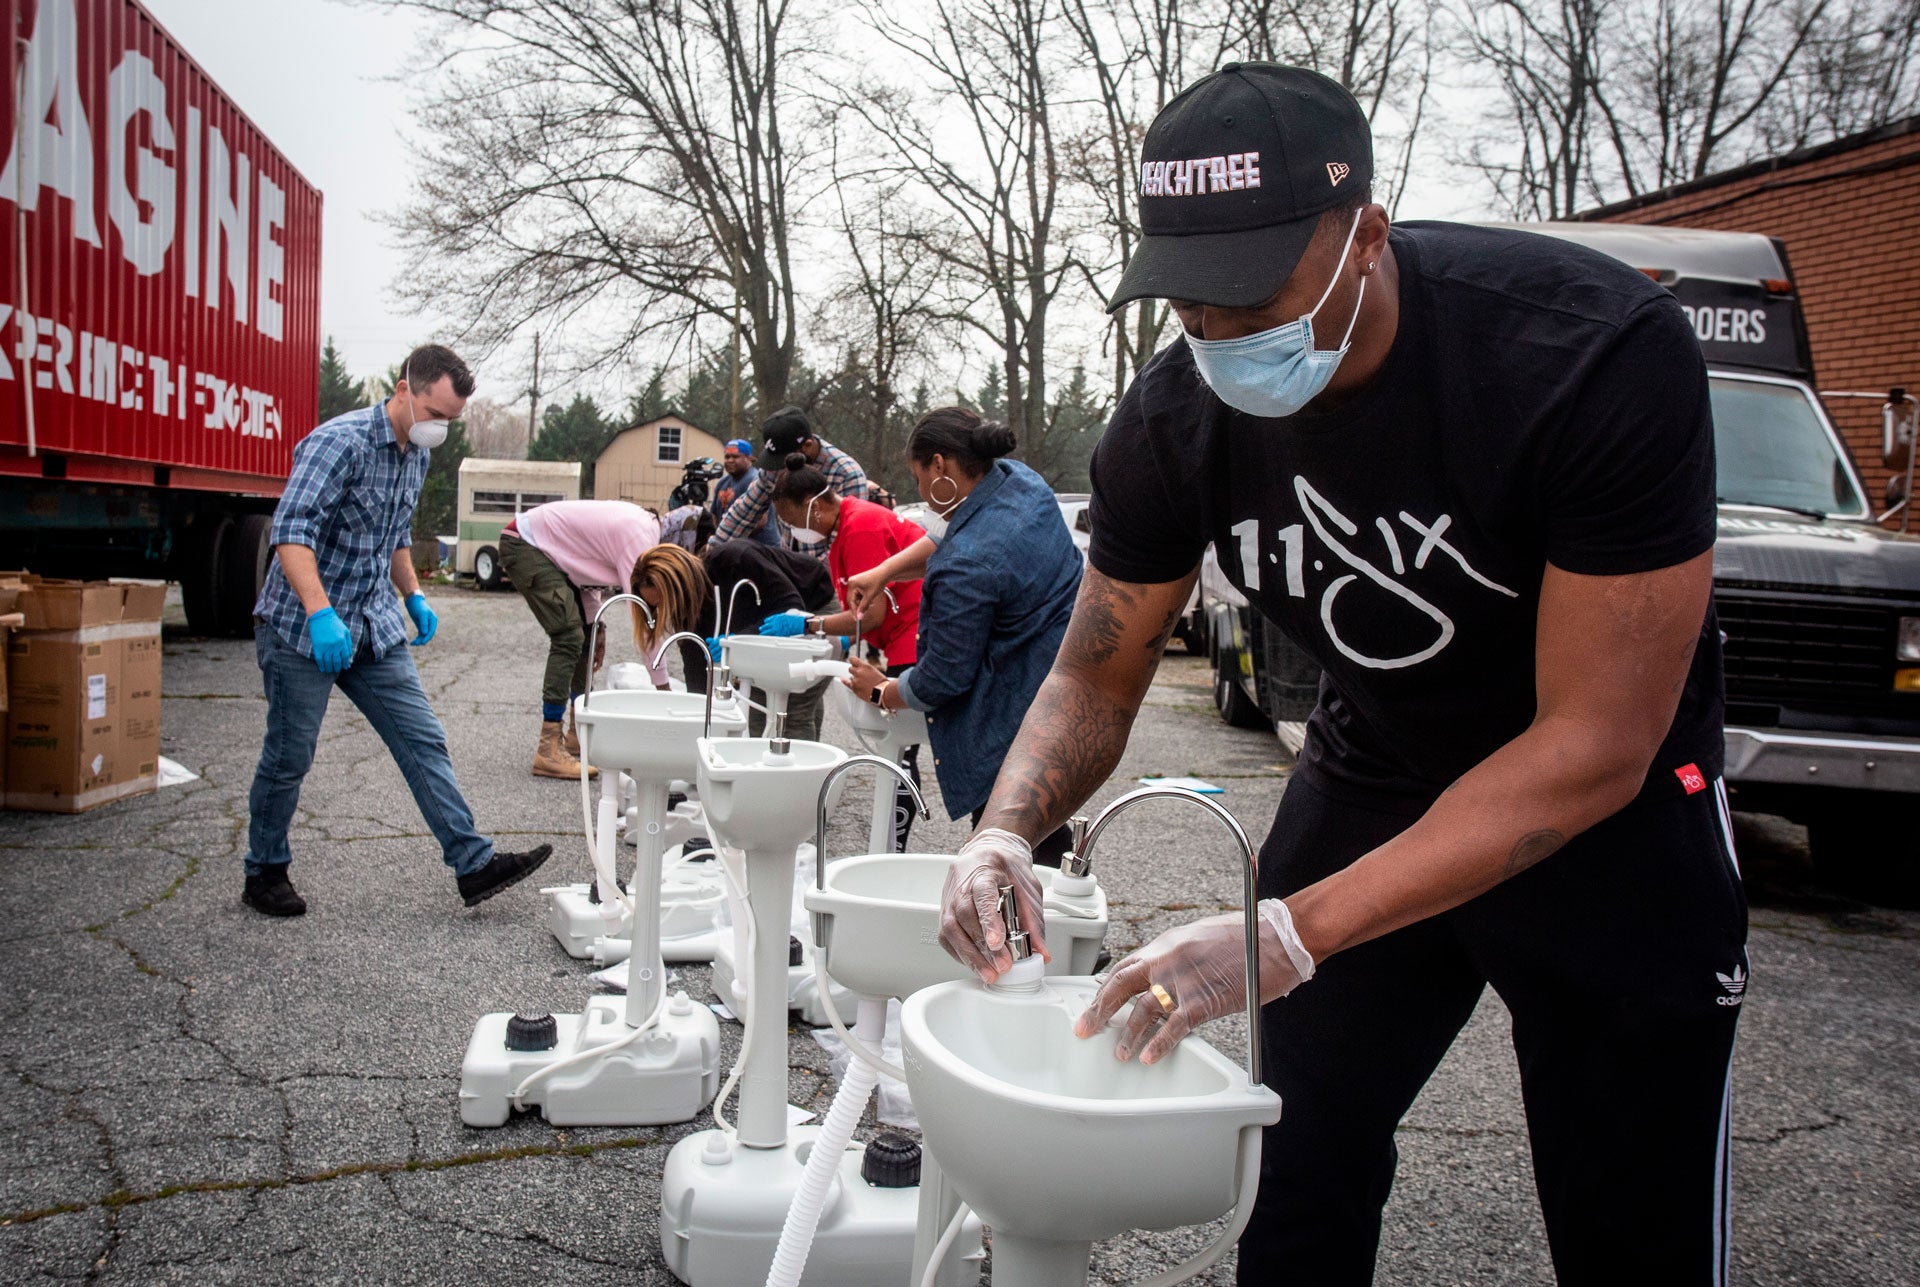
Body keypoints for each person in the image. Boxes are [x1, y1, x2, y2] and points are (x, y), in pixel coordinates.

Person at [938, 64, 1745, 1286]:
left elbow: (1596, 741)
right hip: (1380, 761)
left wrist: (1289, 931)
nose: (1218, 337)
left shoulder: (1586, 351)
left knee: (1631, 1202)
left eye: (1252, 295)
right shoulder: (1172, 422)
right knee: (1290, 1144)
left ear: (1366, 233)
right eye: (1188, 303)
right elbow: (1098, 676)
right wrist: (1003, 832)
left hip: (1611, 816)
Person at [242, 344, 553, 917]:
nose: (442, 428)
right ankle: (264, 869)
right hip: (302, 628)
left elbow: (394, 534)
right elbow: (290, 532)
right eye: (436, 414)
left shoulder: (418, 453)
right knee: (291, 755)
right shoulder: (340, 443)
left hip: (373, 625)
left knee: (422, 739)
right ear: (404, 389)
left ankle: (473, 863)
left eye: (451, 421)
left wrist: (413, 594)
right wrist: (319, 613)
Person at [840, 408, 1082, 863]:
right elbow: (956, 536)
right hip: (1064, 682)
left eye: (917, 477)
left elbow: (943, 678)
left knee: (1006, 851)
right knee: (1042, 824)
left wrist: (884, 691)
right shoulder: (1021, 483)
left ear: (939, 465)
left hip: (1012, 714)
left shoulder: (968, 565)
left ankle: (1028, 931)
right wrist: (886, 572)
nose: (920, 494)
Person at [768, 455, 927, 850]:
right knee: (900, 744)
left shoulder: (860, 528)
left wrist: (810, 624)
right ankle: (889, 848)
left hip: (917, 631)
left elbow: (868, 616)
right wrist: (838, 637)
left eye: (792, 520)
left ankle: (892, 850)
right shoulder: (848, 526)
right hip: (907, 632)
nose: (792, 530)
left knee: (900, 743)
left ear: (815, 507)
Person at [498, 499, 672, 779]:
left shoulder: (645, 531)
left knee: (585, 637)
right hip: (526, 543)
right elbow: (641, 615)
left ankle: (576, 732)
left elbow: (584, 568)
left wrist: (596, 626)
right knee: (568, 636)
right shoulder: (642, 542)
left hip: (552, 555)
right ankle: (548, 748)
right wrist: (665, 694)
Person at [684, 538, 841, 743]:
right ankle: (800, 761)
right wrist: (701, 714)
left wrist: (737, 642)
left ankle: (798, 771)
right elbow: (694, 658)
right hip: (779, 616)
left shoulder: (736, 559)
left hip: (813, 610)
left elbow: (789, 608)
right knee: (788, 704)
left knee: (785, 711)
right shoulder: (691, 605)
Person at [709, 406, 868, 553]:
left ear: (806, 446)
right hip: (788, 564)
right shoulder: (776, 468)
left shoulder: (846, 475)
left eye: (783, 460)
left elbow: (845, 545)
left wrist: (805, 573)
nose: (780, 468)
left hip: (827, 573)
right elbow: (744, 512)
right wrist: (712, 553)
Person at [711, 438, 778, 546]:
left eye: (735, 456)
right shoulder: (722, 483)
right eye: (727, 457)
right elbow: (715, 514)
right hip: (732, 546)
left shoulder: (756, 481)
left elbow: (761, 520)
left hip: (761, 548)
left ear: (749, 458)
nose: (730, 460)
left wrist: (729, 538)